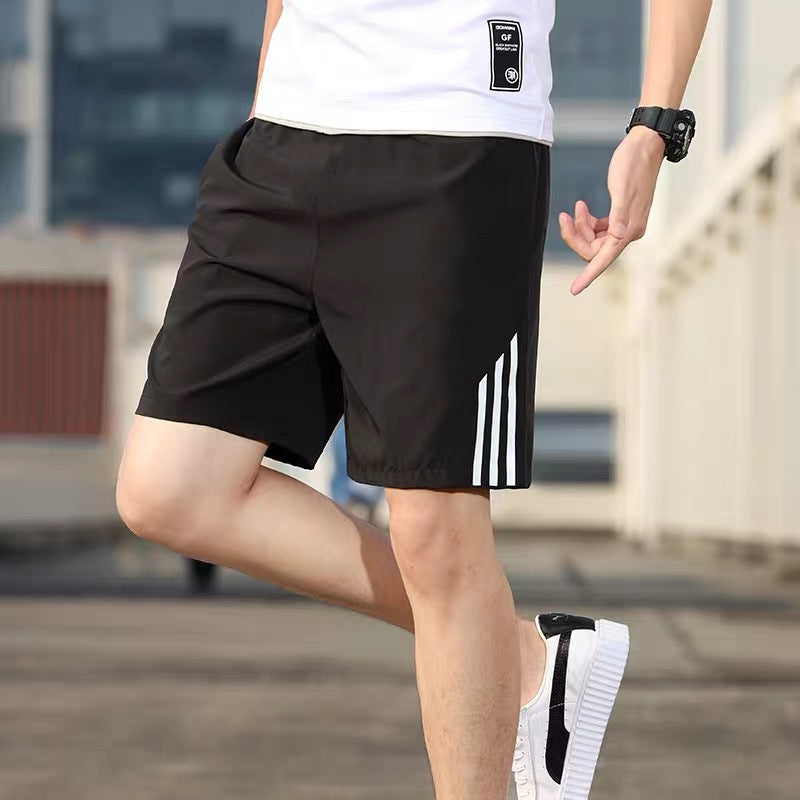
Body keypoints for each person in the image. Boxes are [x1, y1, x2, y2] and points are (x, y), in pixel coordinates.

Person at [115, 1, 711, 797]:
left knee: (435, 532)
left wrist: (654, 127)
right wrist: (268, 100)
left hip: (457, 140)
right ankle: (519, 654)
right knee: (169, 488)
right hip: (283, 138)